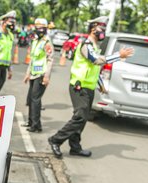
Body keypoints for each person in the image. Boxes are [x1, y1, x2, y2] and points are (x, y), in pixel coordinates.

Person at [47, 16, 133, 158]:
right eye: (101, 28)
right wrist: (119, 55)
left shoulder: (94, 46)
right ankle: (55, 140)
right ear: (93, 28)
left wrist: (100, 85)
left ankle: (75, 147)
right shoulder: (85, 45)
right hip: (79, 87)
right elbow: (96, 61)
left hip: (89, 88)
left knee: (82, 118)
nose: (103, 32)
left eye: (105, 29)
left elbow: (94, 68)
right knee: (80, 117)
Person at [21, 18, 54, 133]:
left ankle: (36, 126)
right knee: (31, 99)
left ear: (45, 29)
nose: (39, 30)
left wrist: (46, 76)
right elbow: (33, 59)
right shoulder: (35, 41)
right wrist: (27, 74)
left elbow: (50, 60)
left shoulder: (47, 42)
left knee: (35, 100)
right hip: (34, 74)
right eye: (37, 28)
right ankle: (31, 121)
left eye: (41, 28)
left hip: (41, 75)